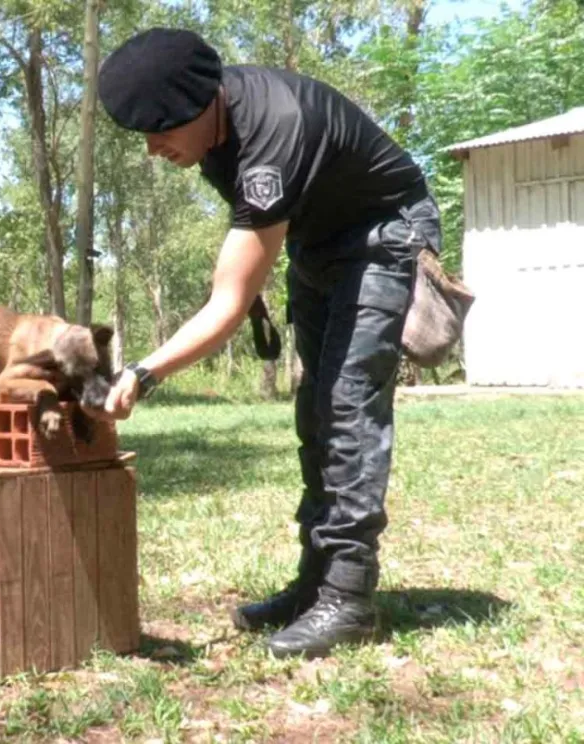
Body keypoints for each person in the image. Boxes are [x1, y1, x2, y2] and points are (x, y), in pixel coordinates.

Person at [90, 27, 443, 659]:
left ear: (203, 104)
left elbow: (226, 305)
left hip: (383, 233)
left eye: (161, 128)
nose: (152, 148)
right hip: (320, 241)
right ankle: (315, 584)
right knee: (314, 411)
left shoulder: (269, 132)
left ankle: (349, 595)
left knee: (346, 407)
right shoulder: (216, 130)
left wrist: (144, 372)